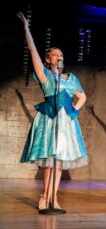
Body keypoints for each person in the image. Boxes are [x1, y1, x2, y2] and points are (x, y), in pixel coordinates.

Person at [17, 12, 88, 211]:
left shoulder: (71, 78)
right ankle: (44, 196)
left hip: (65, 121)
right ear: (48, 59)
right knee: (49, 162)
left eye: (61, 54)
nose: (59, 57)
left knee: (59, 163)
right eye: (55, 54)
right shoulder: (45, 75)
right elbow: (32, 52)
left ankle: (54, 198)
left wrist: (73, 111)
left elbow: (82, 97)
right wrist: (26, 29)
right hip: (49, 118)